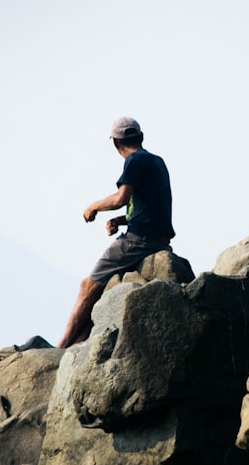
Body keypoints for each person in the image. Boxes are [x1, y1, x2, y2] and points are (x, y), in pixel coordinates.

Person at [57, 117, 174, 349]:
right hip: (158, 238)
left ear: (115, 144)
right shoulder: (156, 161)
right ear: (141, 137)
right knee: (103, 287)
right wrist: (119, 221)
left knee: (88, 285)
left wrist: (93, 207)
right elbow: (150, 206)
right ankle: (77, 343)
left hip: (140, 241)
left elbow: (122, 198)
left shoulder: (134, 161)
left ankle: (59, 348)